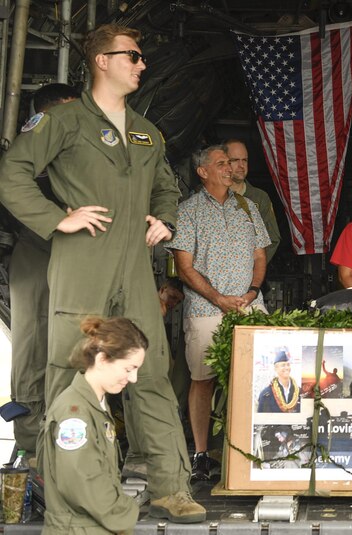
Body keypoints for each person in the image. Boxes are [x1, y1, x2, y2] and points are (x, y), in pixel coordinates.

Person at [0, 24, 205, 522]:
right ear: (101, 61)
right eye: (131, 56)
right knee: (70, 371)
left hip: (134, 268)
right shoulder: (63, 121)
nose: (140, 64)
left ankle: (170, 487)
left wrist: (166, 219)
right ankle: (65, 490)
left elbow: (166, 186)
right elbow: (12, 174)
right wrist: (56, 220)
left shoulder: (146, 130)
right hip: (81, 260)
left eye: (140, 56)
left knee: (150, 373)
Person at [167, 144, 271, 480]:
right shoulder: (189, 210)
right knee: (203, 380)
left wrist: (252, 292)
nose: (229, 168)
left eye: (230, 163)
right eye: (221, 163)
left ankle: (259, 448)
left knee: (260, 378)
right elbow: (184, 267)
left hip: (249, 305)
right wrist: (218, 297)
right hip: (205, 308)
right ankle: (200, 453)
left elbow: (259, 256)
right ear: (203, 172)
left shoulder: (248, 207)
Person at [7, 83, 79, 456]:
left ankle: (74, 436)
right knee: (32, 342)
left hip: (82, 252)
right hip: (38, 246)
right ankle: (33, 444)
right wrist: (58, 217)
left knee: (81, 343)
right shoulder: (32, 145)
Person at [41, 317, 146, 533]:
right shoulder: (75, 414)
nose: (133, 378)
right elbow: (83, 480)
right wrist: (126, 513)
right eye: (128, 368)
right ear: (102, 359)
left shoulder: (96, 406)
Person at [225, 139, 281, 263]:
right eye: (235, 160)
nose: (241, 165)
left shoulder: (259, 198)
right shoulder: (209, 195)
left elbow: (272, 239)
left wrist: (253, 270)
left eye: (245, 160)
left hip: (248, 276)